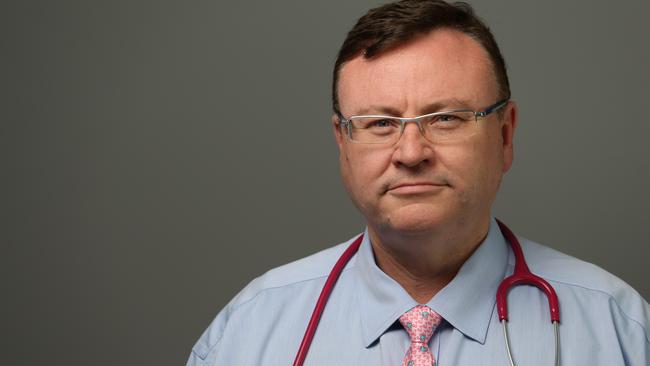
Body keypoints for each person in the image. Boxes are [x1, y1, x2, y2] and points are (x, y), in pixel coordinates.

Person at [187, 1, 650, 365]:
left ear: (505, 135)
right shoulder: (249, 331)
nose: (411, 153)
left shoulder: (618, 328)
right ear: (343, 144)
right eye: (380, 124)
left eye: (446, 118)